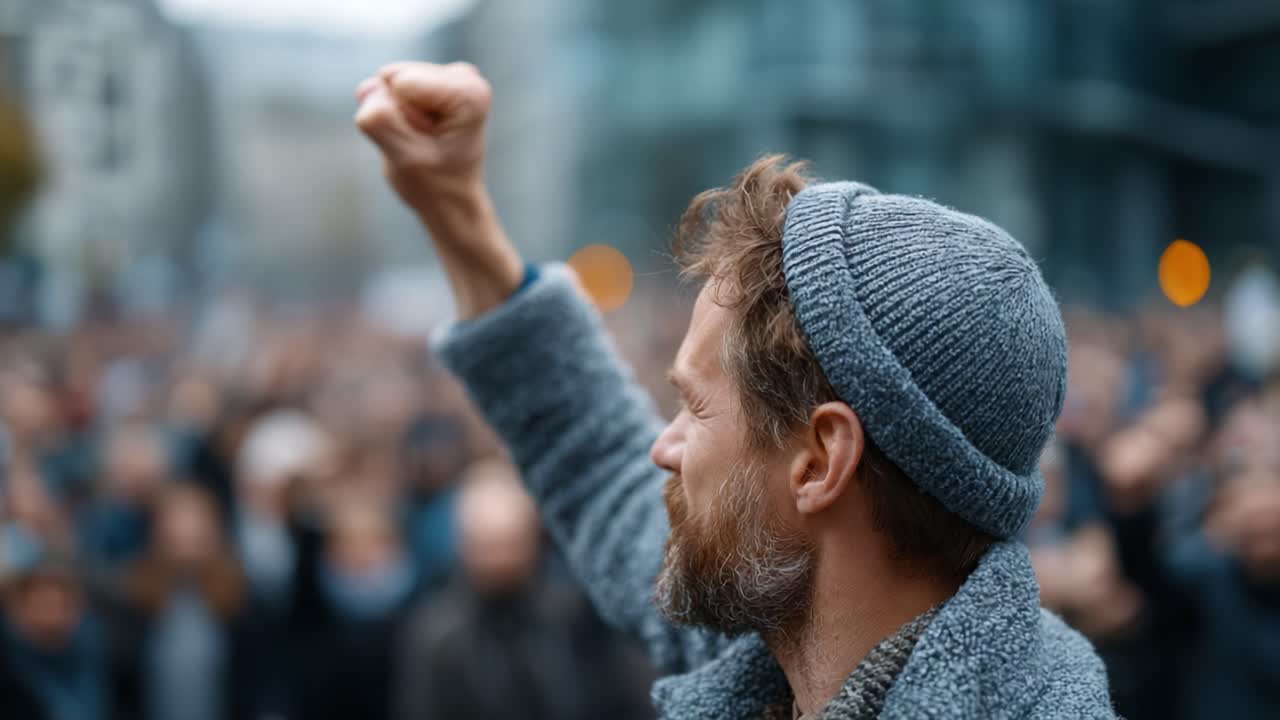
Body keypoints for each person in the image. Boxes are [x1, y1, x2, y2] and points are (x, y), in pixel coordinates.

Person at [356, 61, 1114, 718]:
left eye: (693, 405)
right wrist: (451, 202)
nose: (662, 446)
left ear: (820, 461)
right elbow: (592, 458)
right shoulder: (780, 637)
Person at [395, 459, 654, 720]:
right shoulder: (438, 634)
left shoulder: (575, 615)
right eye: (487, 546)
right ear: (464, 545)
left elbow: (621, 693)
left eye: (509, 545)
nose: (499, 561)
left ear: (532, 540)